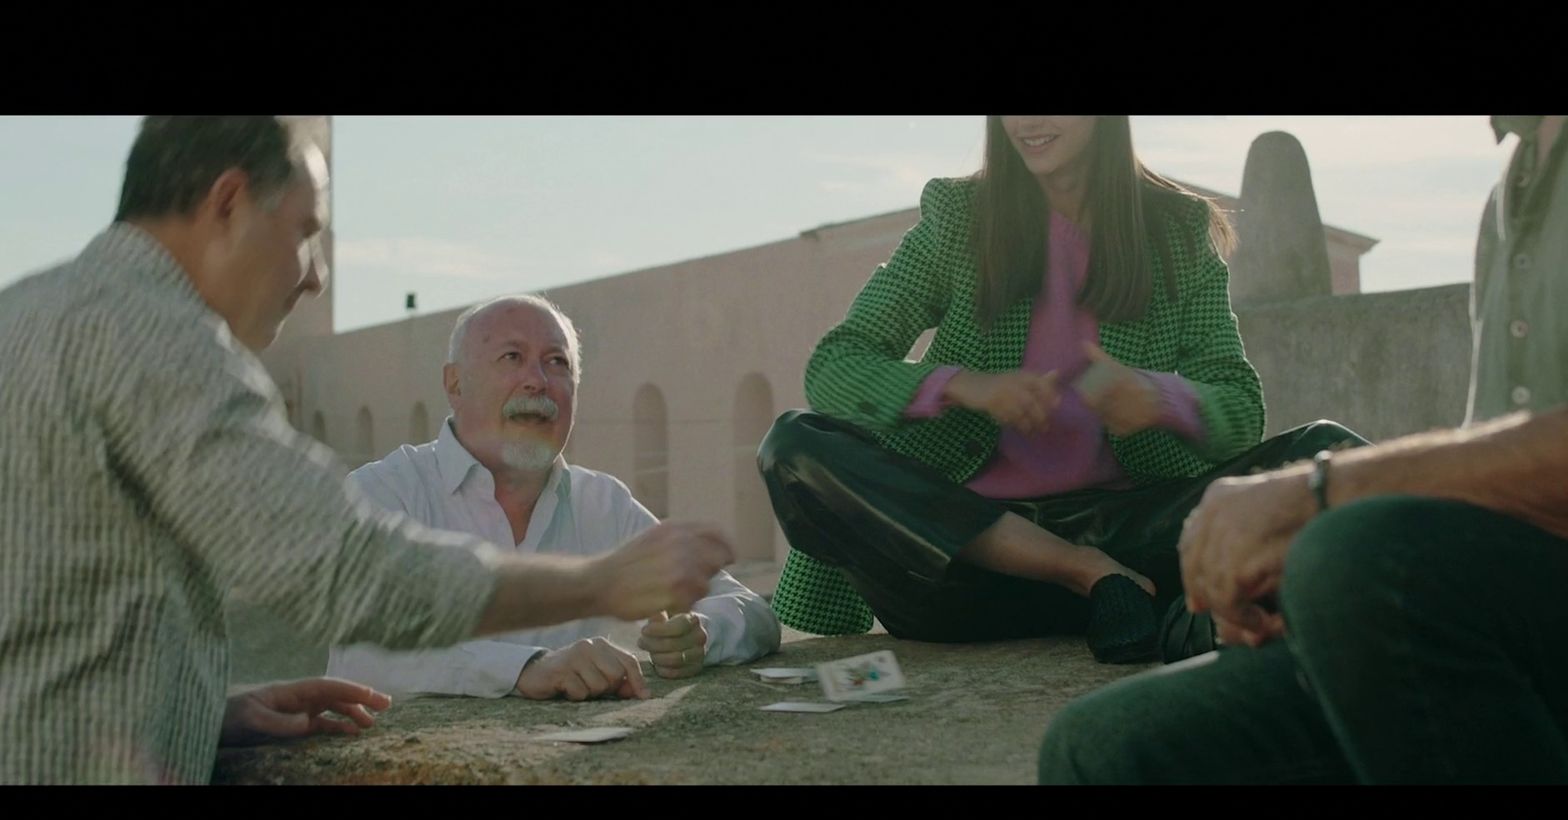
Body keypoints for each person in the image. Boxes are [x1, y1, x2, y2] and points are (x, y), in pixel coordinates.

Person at [0, 116, 732, 784]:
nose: (313, 275)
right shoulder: (154, 339)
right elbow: (347, 571)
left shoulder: (32, 314)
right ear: (227, 204)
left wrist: (209, 715)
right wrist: (601, 585)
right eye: (303, 232)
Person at [1040, 115, 1568, 784]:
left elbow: (1238, 410)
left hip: (1148, 517)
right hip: (1011, 542)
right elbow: (1498, 486)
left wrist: (1314, 494)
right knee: (1102, 746)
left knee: (1356, 548)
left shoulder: (1181, 232)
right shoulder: (1510, 184)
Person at [759, 115, 1361, 663]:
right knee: (794, 442)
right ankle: (1089, 576)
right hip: (969, 564)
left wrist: (1159, 399)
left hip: (1134, 537)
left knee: (1329, 453)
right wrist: (962, 386)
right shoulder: (959, 219)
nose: (1028, 121)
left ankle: (1145, 604)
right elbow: (836, 365)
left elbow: (1241, 406)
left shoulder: (1178, 233)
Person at [327, 294, 780, 700]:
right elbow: (365, 654)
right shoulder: (386, 493)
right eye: (512, 357)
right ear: (455, 384)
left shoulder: (601, 503)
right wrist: (527, 668)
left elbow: (754, 612)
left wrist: (702, 634)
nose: (537, 381)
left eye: (557, 363)